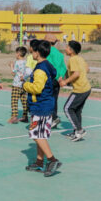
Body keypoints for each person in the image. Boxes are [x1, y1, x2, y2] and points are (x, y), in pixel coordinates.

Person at [23, 40, 61, 176]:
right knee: (40, 135)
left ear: (37, 53)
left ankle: (52, 160)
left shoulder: (40, 70)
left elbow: (37, 88)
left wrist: (25, 85)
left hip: (41, 106)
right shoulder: (46, 65)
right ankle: (39, 163)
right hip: (44, 105)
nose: (31, 54)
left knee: (35, 134)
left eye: (32, 51)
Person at [59, 41, 90, 141]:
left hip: (80, 89)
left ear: (71, 50)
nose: (65, 49)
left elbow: (76, 74)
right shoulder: (80, 58)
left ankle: (79, 130)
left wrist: (65, 81)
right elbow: (87, 69)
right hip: (86, 88)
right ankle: (77, 131)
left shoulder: (72, 59)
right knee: (76, 110)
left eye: (67, 47)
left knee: (67, 108)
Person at [45, 40, 68, 126]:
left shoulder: (47, 52)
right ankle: (53, 117)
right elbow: (64, 67)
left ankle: (52, 117)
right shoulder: (60, 54)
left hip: (49, 79)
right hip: (57, 80)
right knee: (54, 99)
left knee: (46, 98)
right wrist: (60, 76)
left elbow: (49, 66)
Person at [8, 46, 29, 124]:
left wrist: (11, 66)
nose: (15, 54)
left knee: (14, 101)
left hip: (16, 85)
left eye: (16, 53)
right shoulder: (26, 62)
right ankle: (25, 116)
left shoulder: (17, 62)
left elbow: (13, 73)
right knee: (24, 101)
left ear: (18, 54)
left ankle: (14, 117)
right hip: (23, 84)